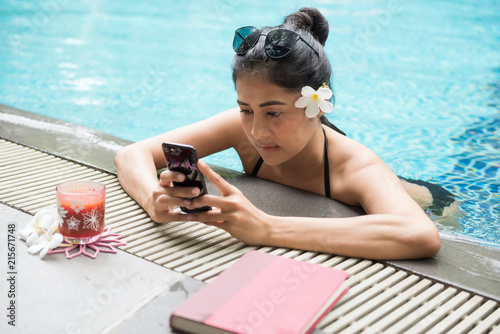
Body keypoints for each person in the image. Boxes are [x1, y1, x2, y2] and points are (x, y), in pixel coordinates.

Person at [114, 7, 441, 260]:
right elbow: (131, 155)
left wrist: (265, 227)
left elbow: (420, 234)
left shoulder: (357, 167)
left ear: (317, 104)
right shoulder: (240, 128)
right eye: (246, 110)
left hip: (431, 201)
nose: (257, 130)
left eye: (273, 112)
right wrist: (152, 199)